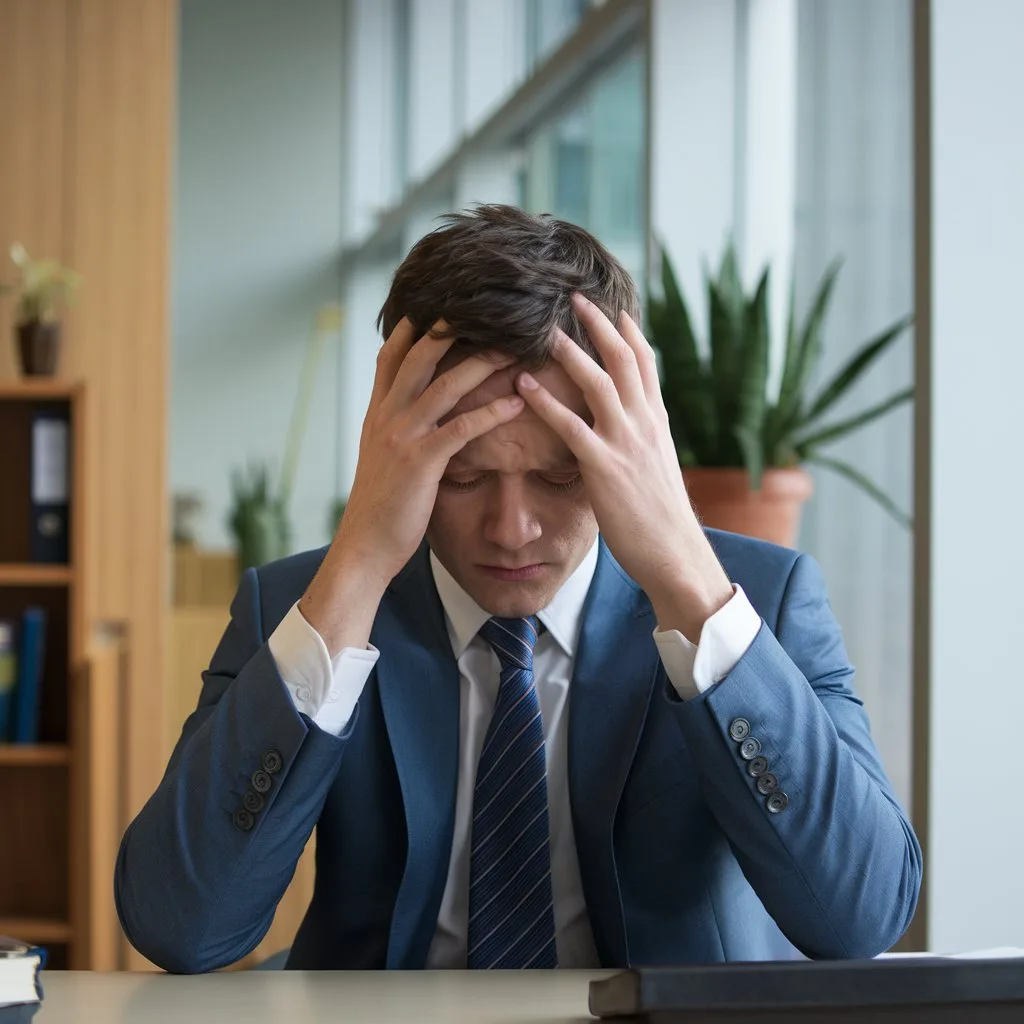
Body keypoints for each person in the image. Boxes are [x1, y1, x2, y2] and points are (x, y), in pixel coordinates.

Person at [115, 205, 921, 974]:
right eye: (462, 476)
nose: (512, 529)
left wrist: (688, 580)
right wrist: (357, 571)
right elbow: (181, 927)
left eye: (561, 474)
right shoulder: (300, 607)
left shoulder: (759, 602)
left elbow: (860, 915)